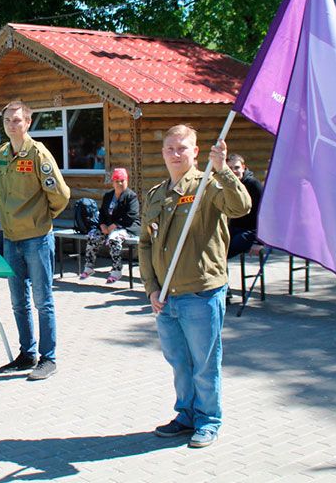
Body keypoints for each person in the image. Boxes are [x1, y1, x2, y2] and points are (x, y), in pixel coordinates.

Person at [141, 124, 251, 448]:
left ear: (195, 152)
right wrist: (150, 287)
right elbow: (145, 244)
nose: (176, 154)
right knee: (179, 363)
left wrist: (223, 171)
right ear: (163, 153)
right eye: (170, 148)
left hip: (200, 293)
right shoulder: (155, 194)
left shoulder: (209, 186)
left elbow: (240, 206)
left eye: (182, 148)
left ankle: (209, 420)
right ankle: (186, 414)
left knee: (204, 363)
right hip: (165, 297)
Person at [0, 100, 70, 380]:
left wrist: (42, 217)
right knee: (18, 302)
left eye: (17, 120)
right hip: (12, 239)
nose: (11, 125)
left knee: (43, 300)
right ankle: (27, 354)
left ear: (27, 123)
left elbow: (60, 195)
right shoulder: (0, 155)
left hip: (37, 239)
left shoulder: (38, 154)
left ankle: (48, 359)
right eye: (7, 121)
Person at [79, 167, 140, 284]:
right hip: (108, 227)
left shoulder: (131, 196)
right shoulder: (108, 196)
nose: (120, 183)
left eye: (122, 180)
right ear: (113, 182)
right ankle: (89, 267)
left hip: (127, 227)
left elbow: (131, 215)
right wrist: (102, 225)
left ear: (127, 181)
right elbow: (102, 213)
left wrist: (114, 226)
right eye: (117, 181)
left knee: (114, 238)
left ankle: (116, 271)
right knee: (93, 236)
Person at [225, 154, 263, 259]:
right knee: (216, 250)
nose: (233, 171)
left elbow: (265, 213)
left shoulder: (253, 184)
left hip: (252, 231)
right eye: (230, 168)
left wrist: (259, 242)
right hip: (235, 228)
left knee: (225, 254)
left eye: (236, 167)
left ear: (243, 167)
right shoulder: (227, 185)